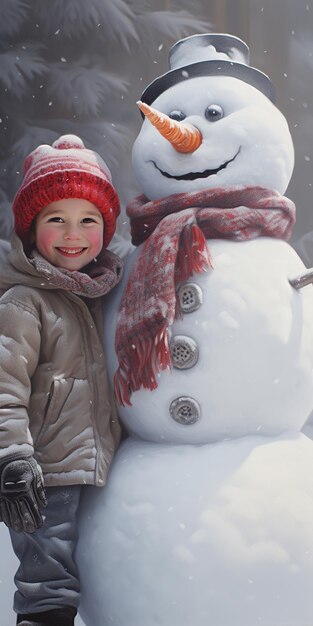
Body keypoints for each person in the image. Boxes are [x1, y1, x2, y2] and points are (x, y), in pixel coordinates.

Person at [0, 135, 123, 626]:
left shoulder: (97, 291)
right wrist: (12, 457)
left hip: (95, 468)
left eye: (88, 220)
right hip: (45, 472)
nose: (74, 234)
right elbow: (4, 387)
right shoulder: (23, 302)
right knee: (48, 583)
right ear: (30, 231)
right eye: (56, 219)